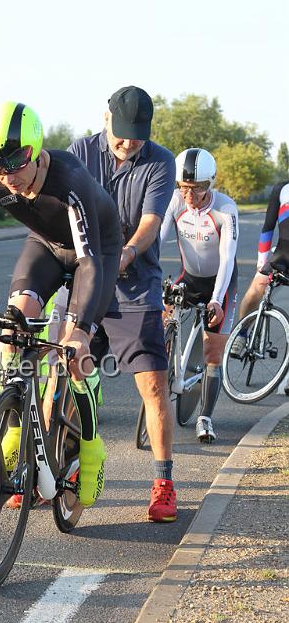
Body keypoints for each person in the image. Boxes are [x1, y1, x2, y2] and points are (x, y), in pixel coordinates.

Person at [0, 101, 122, 507]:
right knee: (13, 325)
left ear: (36, 150)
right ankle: (17, 426)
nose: (8, 177)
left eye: (16, 164)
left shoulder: (69, 178)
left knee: (76, 354)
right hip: (46, 247)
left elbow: (90, 261)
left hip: (97, 253)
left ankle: (91, 448)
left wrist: (77, 333)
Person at [69, 86, 177, 523]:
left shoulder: (160, 160)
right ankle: (56, 471)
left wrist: (127, 255)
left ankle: (164, 481)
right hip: (85, 280)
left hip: (134, 285)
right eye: (122, 133)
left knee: (152, 385)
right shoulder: (81, 151)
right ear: (106, 118)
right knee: (67, 375)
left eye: (138, 135)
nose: (128, 142)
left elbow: (150, 222)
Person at [161, 148, 239, 442]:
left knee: (212, 353)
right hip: (189, 278)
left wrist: (217, 299)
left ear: (211, 184)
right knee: (159, 318)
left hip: (220, 284)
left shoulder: (225, 209)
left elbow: (228, 258)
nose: (190, 196)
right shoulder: (175, 202)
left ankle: (204, 417)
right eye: (184, 188)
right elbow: (156, 240)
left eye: (197, 189)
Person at [230, 180, 289, 357]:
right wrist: (261, 263)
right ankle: (241, 333)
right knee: (256, 289)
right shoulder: (282, 188)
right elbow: (268, 228)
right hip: (283, 254)